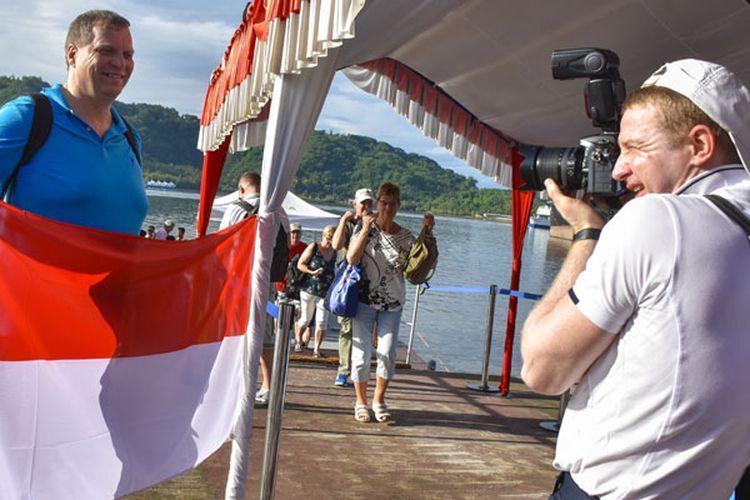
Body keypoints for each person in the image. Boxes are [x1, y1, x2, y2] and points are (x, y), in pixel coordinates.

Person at [521, 59, 750, 498]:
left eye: (634, 148)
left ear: (700, 145)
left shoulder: (658, 221)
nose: (619, 170)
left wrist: (587, 235)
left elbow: (542, 369)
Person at [0, 9, 147, 234]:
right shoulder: (27, 118)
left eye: (128, 54)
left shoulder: (129, 137)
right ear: (72, 54)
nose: (120, 63)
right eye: (106, 50)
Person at [347, 182, 435, 423]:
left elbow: (417, 270)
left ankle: (379, 400)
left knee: (386, 352)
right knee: (361, 353)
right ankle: (361, 401)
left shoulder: (405, 236)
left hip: (393, 303)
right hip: (364, 301)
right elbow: (351, 259)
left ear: (398, 206)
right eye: (383, 202)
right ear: (377, 202)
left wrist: (427, 233)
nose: (387, 207)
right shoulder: (365, 227)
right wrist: (365, 229)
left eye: (392, 203)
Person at [331, 188, 374, 386]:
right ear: (354, 204)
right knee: (347, 328)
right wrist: (343, 221)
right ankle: (343, 370)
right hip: (349, 282)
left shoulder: (376, 224)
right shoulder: (349, 224)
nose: (366, 207)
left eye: (369, 203)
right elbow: (336, 245)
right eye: (362, 203)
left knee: (365, 328)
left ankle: (360, 370)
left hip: (370, 283)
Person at [294, 224, 337, 357]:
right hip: (309, 289)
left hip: (325, 291)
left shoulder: (335, 252)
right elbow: (300, 264)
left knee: (322, 322)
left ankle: (317, 349)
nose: (329, 241)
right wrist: (312, 272)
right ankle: (298, 341)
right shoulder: (314, 247)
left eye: (332, 238)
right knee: (306, 319)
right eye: (328, 238)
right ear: (323, 236)